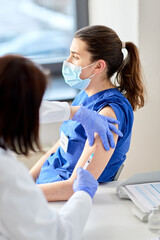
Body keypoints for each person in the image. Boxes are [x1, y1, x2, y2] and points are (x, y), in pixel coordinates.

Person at [0, 54, 121, 240]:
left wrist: (75, 112)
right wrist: (83, 194)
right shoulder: (7, 173)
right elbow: (59, 235)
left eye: (75, 56)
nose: (68, 61)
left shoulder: (109, 108)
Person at [30, 25, 145, 202]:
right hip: (44, 187)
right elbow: (58, 149)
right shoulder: (84, 96)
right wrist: (27, 180)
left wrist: (21, 194)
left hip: (62, 200)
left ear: (98, 66)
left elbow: (73, 187)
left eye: (75, 57)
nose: (67, 61)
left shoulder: (108, 114)